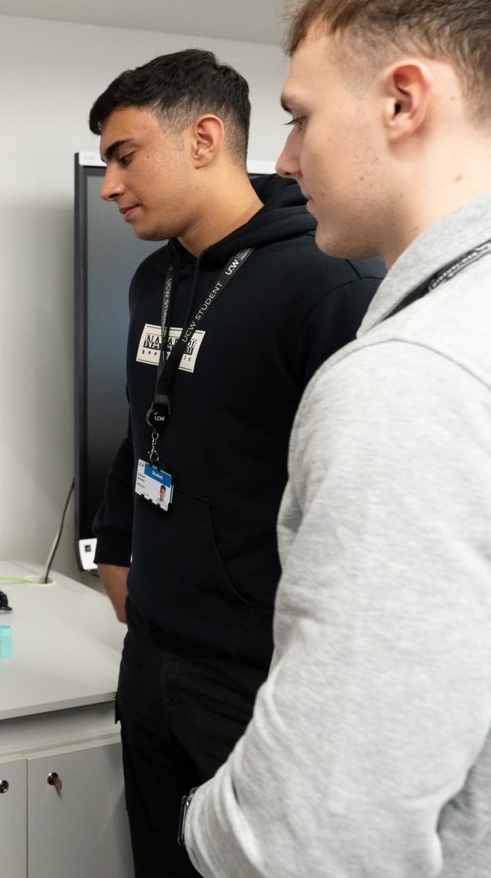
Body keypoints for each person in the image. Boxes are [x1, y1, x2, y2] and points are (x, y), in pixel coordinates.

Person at [183, 0, 491, 876]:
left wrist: (207, 818)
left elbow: (306, 839)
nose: (282, 162)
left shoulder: (424, 375)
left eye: (301, 117)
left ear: (403, 100)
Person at [87, 49, 381, 875]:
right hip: (151, 650)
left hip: (250, 674)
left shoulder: (329, 285)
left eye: (125, 155)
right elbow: (144, 421)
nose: (110, 184)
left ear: (205, 138)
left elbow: (351, 502)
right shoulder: (155, 278)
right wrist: (117, 543)